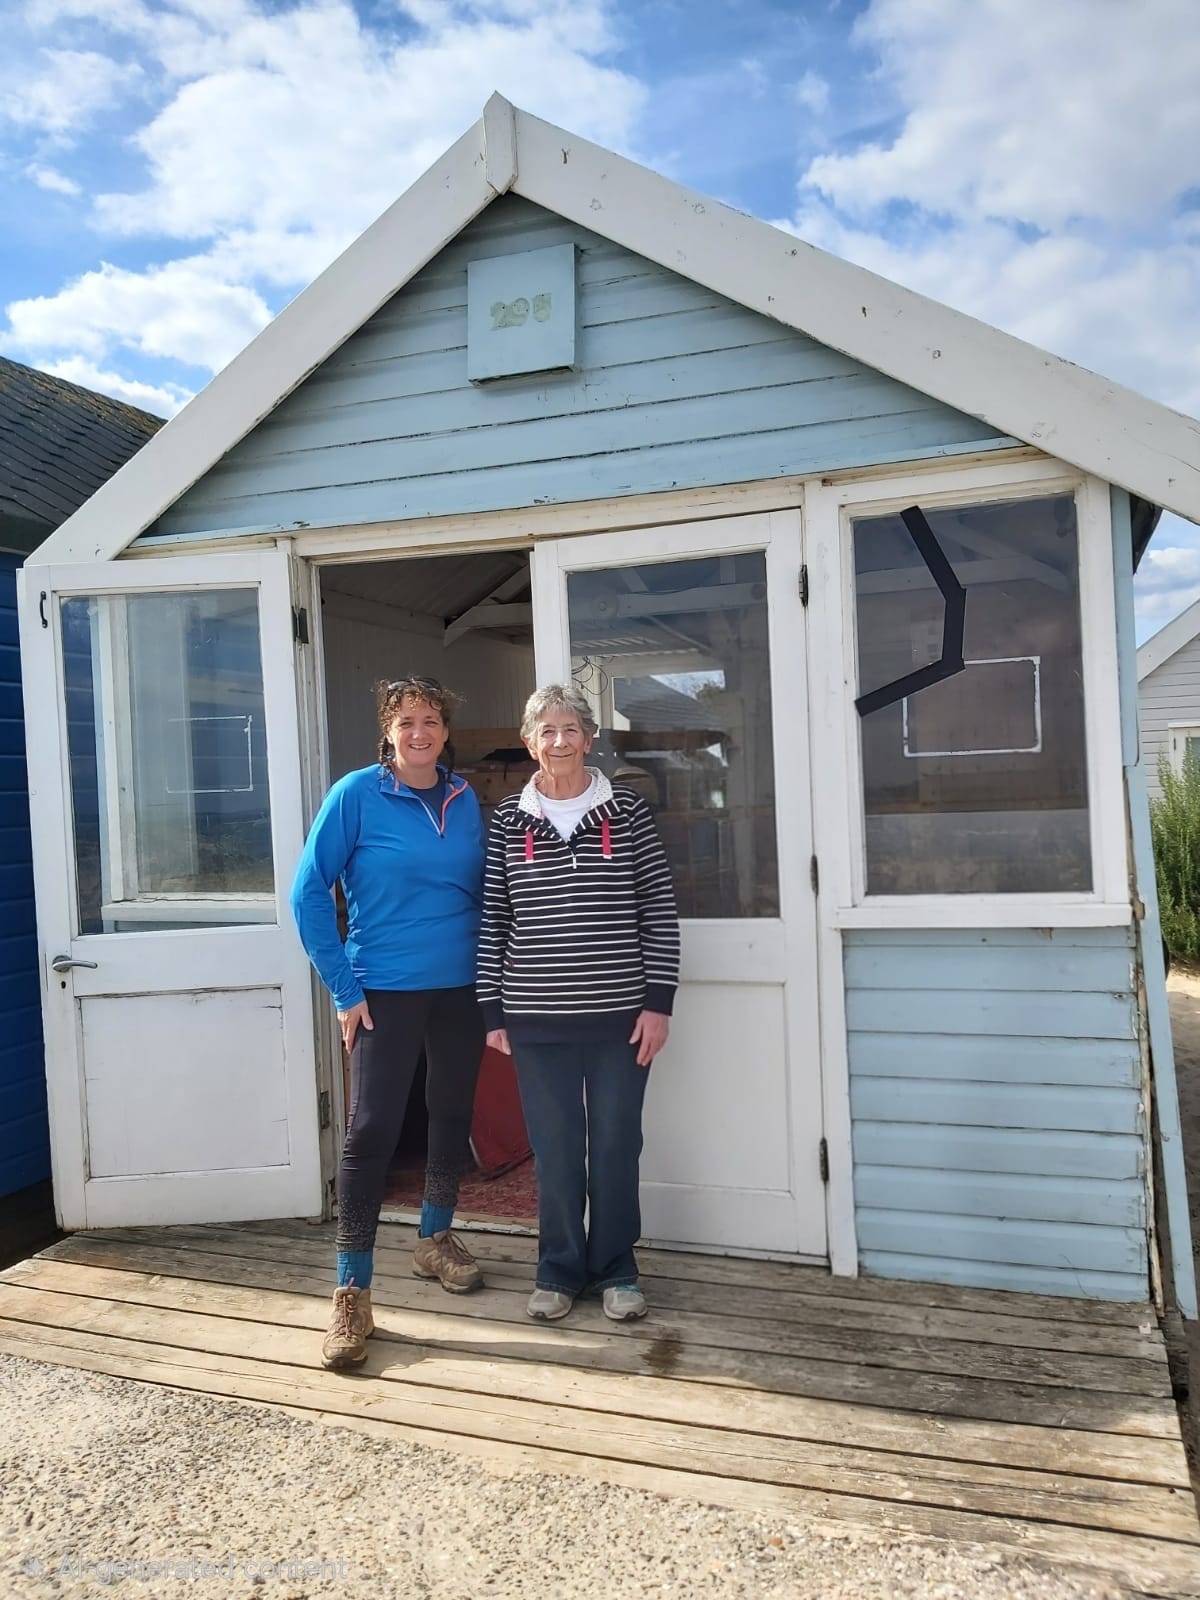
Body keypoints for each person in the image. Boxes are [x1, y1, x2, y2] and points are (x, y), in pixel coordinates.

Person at [291, 676, 487, 1370]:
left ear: (444, 729)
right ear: (388, 731)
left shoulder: (466, 801)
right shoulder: (357, 795)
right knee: (370, 1130)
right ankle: (352, 1288)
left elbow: (490, 891)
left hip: (461, 986)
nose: (419, 732)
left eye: (430, 719)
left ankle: (434, 1239)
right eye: (406, 721)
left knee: (450, 1113)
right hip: (385, 989)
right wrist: (345, 991)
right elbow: (308, 892)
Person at [478, 684, 680, 1322]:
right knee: (558, 1146)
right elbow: (494, 921)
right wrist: (492, 1011)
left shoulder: (627, 812)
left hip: (621, 1018)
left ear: (589, 739)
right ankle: (559, 1269)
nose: (559, 741)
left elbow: (658, 911)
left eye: (571, 729)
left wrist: (658, 1002)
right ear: (529, 741)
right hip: (536, 1019)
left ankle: (617, 1269)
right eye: (547, 731)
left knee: (617, 1142)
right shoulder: (508, 819)